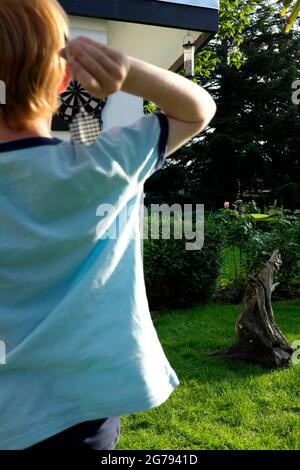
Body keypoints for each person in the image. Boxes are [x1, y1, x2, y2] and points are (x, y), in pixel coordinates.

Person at [0, 0, 216, 450]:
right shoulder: (103, 166)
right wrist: (125, 73)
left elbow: (81, 144)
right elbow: (196, 110)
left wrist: (85, 111)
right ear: (61, 78)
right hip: (84, 412)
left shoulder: (94, 158)